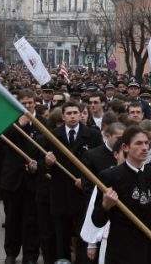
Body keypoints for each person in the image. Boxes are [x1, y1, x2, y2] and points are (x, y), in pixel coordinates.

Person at [92, 126, 151, 264]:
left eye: (147, 143)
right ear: (125, 147)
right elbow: (97, 220)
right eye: (139, 143)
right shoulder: (110, 176)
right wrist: (105, 206)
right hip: (121, 252)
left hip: (149, 251)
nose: (145, 147)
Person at [44, 101, 102, 263]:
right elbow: (44, 168)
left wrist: (85, 181)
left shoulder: (92, 135)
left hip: (82, 193)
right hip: (60, 193)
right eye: (69, 113)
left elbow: (100, 164)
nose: (72, 116)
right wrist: (47, 162)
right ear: (63, 116)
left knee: (82, 234)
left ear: (81, 114)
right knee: (61, 235)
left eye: (75, 112)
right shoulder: (53, 135)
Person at [0, 91, 42, 264]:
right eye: (23, 103)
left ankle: (30, 255)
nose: (27, 105)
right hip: (13, 180)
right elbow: (1, 143)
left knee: (31, 221)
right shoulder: (10, 123)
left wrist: (38, 164)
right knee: (12, 219)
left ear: (34, 103)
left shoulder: (42, 123)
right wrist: (19, 124)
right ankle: (11, 253)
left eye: (30, 102)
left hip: (33, 180)